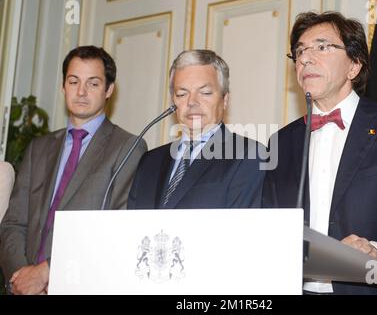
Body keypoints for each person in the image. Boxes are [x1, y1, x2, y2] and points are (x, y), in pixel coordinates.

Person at [262, 12, 377, 294]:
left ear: (354, 65)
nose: (305, 58)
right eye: (299, 51)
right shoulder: (280, 142)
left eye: (321, 47)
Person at [0, 45, 147, 295]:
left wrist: (47, 273)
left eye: (93, 83)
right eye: (73, 81)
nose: (81, 92)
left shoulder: (128, 147)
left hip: (80, 285)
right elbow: (13, 223)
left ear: (109, 90)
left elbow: (116, 228)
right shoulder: (39, 147)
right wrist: (23, 277)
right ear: (63, 86)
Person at [128, 49, 265, 210]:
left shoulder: (248, 155)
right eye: (182, 94)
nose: (192, 102)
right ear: (173, 101)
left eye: (205, 92)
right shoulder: (150, 161)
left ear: (225, 100)